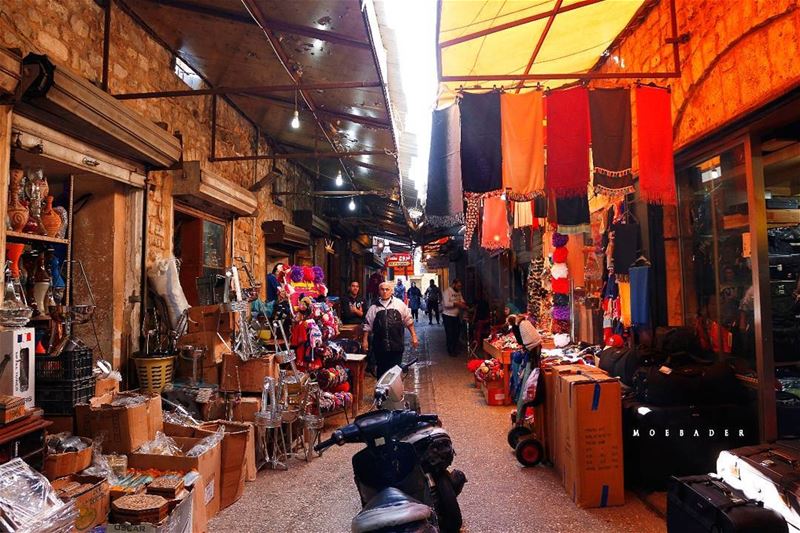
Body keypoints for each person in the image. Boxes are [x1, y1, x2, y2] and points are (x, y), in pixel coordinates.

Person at [362, 281, 419, 377]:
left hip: (396, 345)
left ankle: (394, 391)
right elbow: (367, 325)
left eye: (387, 289)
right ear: (379, 291)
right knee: (381, 371)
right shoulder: (374, 307)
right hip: (380, 346)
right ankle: (382, 391)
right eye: (382, 289)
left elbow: (408, 321)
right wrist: (365, 341)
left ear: (391, 291)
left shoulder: (399, 304)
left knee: (395, 371)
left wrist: (414, 336)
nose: (384, 291)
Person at [442, 279, 468, 356]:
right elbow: (446, 304)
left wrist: (463, 304)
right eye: (458, 286)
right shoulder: (447, 292)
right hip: (447, 316)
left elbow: (462, 300)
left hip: (456, 316)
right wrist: (457, 304)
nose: (460, 287)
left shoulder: (458, 292)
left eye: (460, 286)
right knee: (450, 334)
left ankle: (455, 349)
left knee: (456, 333)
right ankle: (451, 351)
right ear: (454, 284)